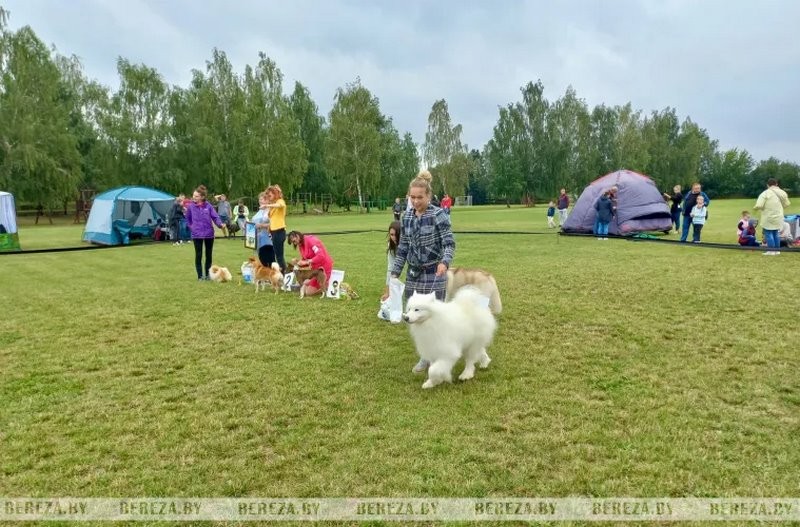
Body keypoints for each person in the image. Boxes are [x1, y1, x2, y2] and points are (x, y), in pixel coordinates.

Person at [390, 170, 455, 373]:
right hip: (413, 275)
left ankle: (438, 357)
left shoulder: (438, 215)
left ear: (428, 196)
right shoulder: (407, 217)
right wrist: (395, 272)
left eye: (420, 197)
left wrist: (444, 262)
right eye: (413, 197)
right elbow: (403, 247)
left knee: (434, 319)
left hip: (434, 274)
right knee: (415, 317)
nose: (416, 201)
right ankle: (425, 357)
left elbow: (449, 244)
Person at [185, 185, 225, 281]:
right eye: (193, 196)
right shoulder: (190, 207)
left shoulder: (208, 206)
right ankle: (200, 276)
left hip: (209, 234)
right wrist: (192, 228)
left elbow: (215, 217)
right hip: (197, 235)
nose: (194, 197)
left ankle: (207, 275)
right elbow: (188, 219)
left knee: (208, 255)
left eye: (196, 196)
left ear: (202, 197)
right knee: (198, 255)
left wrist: (220, 225)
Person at [288, 230, 333, 298]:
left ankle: (327, 286)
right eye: (293, 243)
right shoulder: (301, 245)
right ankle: (321, 284)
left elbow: (321, 256)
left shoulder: (311, 241)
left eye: (294, 241)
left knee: (309, 292)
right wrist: (298, 262)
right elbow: (305, 259)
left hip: (323, 268)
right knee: (305, 288)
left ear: (297, 236)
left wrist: (307, 262)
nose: (295, 244)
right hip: (314, 270)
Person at [754, 178, 790, 255]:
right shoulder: (782, 192)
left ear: (767, 185)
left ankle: (771, 251)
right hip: (779, 216)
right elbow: (787, 204)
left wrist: (755, 208)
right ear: (776, 184)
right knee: (776, 233)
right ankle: (777, 250)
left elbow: (759, 205)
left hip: (768, 216)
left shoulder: (765, 193)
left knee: (768, 233)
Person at [261, 185, 288, 271]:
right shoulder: (272, 206)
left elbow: (280, 205)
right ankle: (282, 273)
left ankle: (284, 274)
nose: (269, 198)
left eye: (270, 195)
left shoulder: (280, 201)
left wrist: (267, 206)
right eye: (268, 196)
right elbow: (273, 220)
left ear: (275, 194)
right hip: (274, 232)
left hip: (279, 232)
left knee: (279, 256)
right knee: (277, 255)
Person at [250, 191, 274, 266]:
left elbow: (273, 224)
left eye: (262, 199)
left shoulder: (270, 210)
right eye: (259, 199)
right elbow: (254, 223)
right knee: (261, 258)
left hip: (268, 239)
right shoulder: (260, 211)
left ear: (267, 200)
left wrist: (261, 225)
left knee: (269, 259)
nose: (260, 201)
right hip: (258, 239)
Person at [381, 221, 402, 303]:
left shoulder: (409, 243)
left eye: (397, 235)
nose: (394, 238)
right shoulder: (391, 245)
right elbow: (391, 268)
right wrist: (387, 292)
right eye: (392, 235)